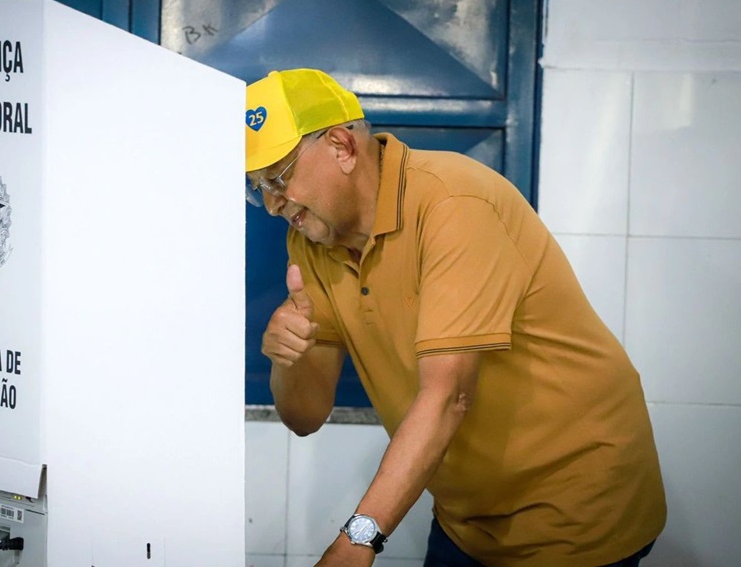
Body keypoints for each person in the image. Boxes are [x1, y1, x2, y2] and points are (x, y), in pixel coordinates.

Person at [244, 68, 666, 567]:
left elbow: (449, 395)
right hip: (468, 519)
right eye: (255, 188)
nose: (271, 205)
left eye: (277, 179)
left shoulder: (453, 202)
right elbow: (305, 418)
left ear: (341, 146)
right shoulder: (312, 238)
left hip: (577, 506)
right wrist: (286, 356)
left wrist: (358, 541)